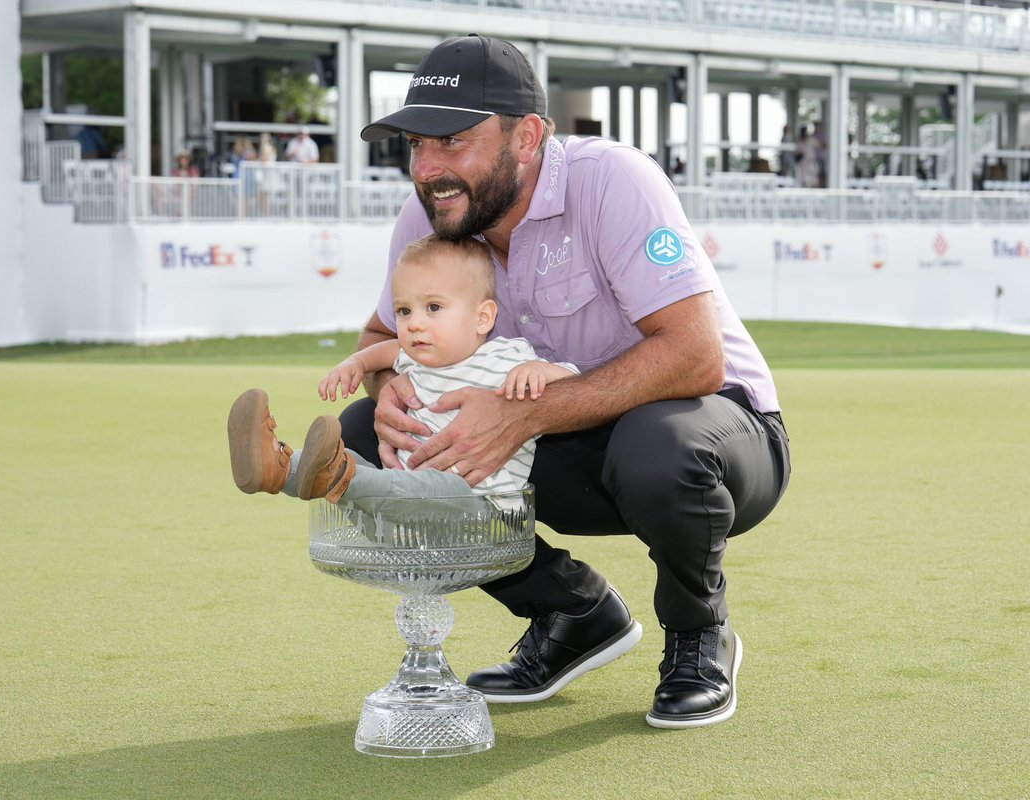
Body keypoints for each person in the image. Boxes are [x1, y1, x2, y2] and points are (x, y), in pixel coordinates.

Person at [341, 34, 791, 728]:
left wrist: (525, 414)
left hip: (720, 440)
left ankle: (700, 636)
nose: (427, 169)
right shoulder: (430, 214)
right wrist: (391, 396)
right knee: (365, 439)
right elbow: (379, 341)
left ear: (526, 137)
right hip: (563, 450)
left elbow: (695, 358)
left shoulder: (612, 178)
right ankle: (572, 613)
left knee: (655, 442)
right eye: (414, 145)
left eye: (452, 141)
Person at [227, 235, 581, 516]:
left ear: (483, 318)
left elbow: (570, 382)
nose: (414, 323)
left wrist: (541, 371)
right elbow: (386, 349)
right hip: (405, 495)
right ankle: (281, 466)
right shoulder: (417, 360)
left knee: (385, 480)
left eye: (434, 307)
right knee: (364, 470)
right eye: (404, 310)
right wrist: (355, 364)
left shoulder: (506, 357)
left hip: (476, 507)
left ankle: (334, 472)